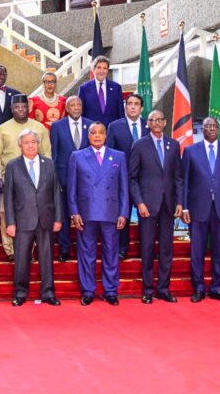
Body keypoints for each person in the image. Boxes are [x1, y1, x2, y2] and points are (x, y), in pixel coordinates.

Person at [181, 117, 220, 304]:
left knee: (219, 250)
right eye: (207, 126)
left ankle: (217, 287)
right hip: (198, 209)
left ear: (218, 129)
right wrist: (184, 207)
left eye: (214, 126)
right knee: (197, 251)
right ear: (202, 129)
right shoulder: (191, 151)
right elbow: (184, 182)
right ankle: (198, 288)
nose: (211, 129)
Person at [67, 122, 128, 306]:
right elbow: (71, 188)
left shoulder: (118, 156)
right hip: (86, 214)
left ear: (106, 136)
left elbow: (124, 187)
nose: (97, 136)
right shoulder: (77, 156)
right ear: (88, 136)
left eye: (101, 132)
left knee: (111, 253)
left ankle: (110, 290)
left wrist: (123, 212)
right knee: (87, 254)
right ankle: (87, 290)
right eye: (93, 133)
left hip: (111, 213)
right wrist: (74, 211)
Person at [129, 109, 183, 304]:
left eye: (160, 119)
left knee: (167, 250)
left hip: (168, 206)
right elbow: (132, 178)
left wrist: (180, 202)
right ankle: (148, 290)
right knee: (148, 249)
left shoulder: (174, 145)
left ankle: (163, 289)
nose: (157, 123)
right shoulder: (139, 145)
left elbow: (178, 177)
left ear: (165, 122)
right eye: (153, 120)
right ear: (148, 124)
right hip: (147, 206)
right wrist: (139, 203)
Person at [4, 129, 63, 307]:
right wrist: (10, 222)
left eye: (34, 142)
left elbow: (56, 193)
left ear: (38, 144)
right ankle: (20, 293)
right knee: (21, 258)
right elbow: (8, 197)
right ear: (20, 145)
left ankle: (48, 293)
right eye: (27, 142)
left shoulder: (49, 164)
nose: (31, 145)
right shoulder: (12, 166)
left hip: (46, 218)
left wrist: (58, 218)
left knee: (47, 258)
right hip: (22, 220)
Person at [0, 94, 51, 262]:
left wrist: (46, 179)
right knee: (6, 214)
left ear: (29, 108)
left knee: (31, 215)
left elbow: (47, 153)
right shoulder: (2, 129)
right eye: (17, 107)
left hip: (34, 181)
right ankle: (10, 250)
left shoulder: (38, 128)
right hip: (8, 180)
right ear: (11, 109)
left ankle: (28, 251)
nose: (20, 110)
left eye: (23, 107)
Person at [106, 93, 149, 260]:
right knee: (122, 214)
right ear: (125, 106)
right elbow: (109, 153)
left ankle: (145, 248)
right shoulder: (114, 126)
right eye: (129, 103)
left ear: (141, 108)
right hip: (121, 179)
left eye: (136, 104)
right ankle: (122, 248)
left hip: (144, 180)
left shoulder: (149, 126)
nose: (132, 106)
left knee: (146, 217)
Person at [49, 96, 92, 262]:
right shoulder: (57, 126)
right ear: (66, 108)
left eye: (79, 105)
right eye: (72, 105)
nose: (76, 107)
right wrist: (56, 179)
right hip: (64, 178)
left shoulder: (91, 124)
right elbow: (55, 155)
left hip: (86, 180)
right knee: (65, 215)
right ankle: (65, 249)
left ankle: (84, 248)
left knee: (85, 214)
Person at [77, 55, 124, 127]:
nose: (101, 71)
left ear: (107, 70)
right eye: (99, 68)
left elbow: (121, 113)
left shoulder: (116, 88)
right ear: (93, 69)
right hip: (92, 132)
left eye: (104, 68)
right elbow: (81, 113)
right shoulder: (84, 89)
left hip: (112, 132)